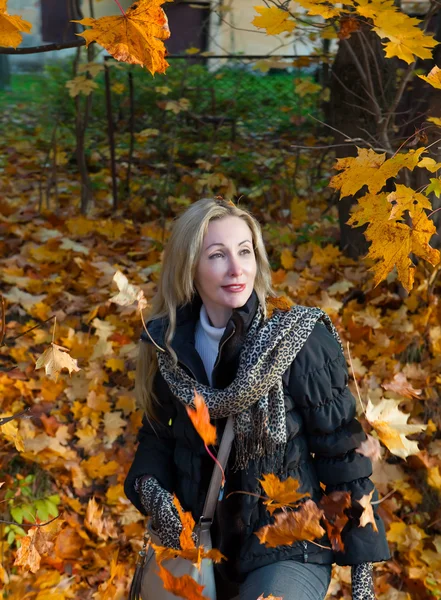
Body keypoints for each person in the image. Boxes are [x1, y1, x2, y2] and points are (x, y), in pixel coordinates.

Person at [124, 198, 390, 600]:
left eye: (245, 251)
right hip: (198, 544)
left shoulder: (296, 341)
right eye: (217, 255)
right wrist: (149, 488)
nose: (237, 269)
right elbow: (158, 437)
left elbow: (343, 458)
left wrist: (362, 581)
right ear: (189, 266)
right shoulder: (171, 348)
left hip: (288, 545)